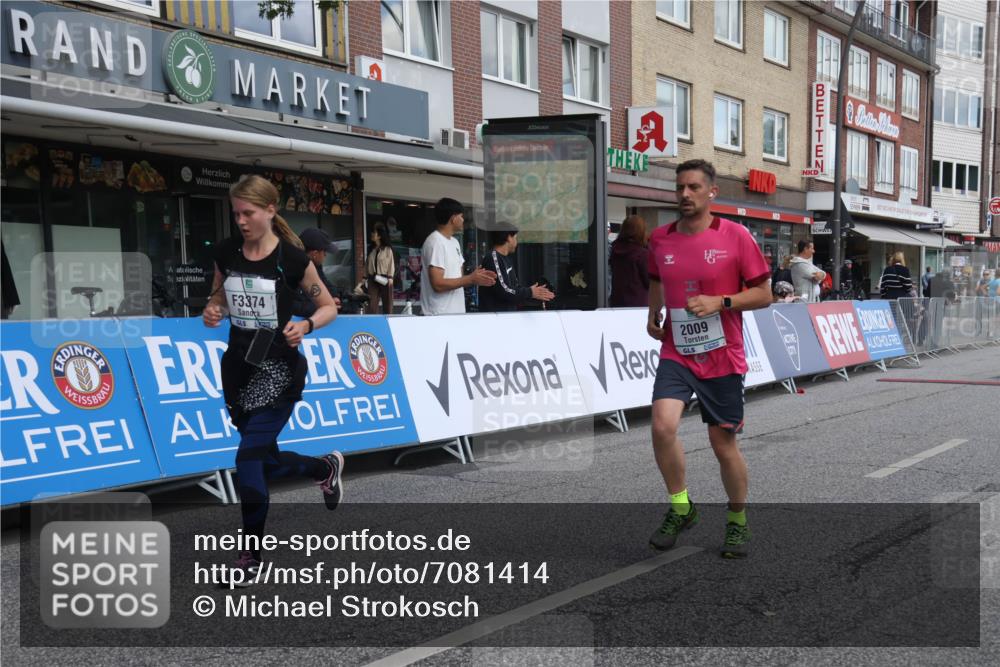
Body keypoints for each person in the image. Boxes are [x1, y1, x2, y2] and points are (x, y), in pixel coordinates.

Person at [203, 175, 344, 584]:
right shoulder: (226, 252)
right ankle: (322, 468)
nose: (241, 221)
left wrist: (307, 326)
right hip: (239, 370)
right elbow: (218, 296)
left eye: (248, 213)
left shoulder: (294, 259)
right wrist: (213, 310)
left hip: (280, 371)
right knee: (263, 458)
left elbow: (328, 306)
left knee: (247, 460)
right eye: (236, 214)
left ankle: (250, 556)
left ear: (270, 210)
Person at [645, 159, 772, 559]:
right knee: (662, 426)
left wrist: (723, 302)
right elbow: (655, 279)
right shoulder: (661, 238)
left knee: (722, 443)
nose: (684, 194)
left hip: (722, 356)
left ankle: (737, 522)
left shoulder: (736, 236)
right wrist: (654, 312)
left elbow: (764, 294)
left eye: (694, 187)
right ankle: (681, 508)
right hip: (677, 352)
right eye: (680, 187)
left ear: (711, 192)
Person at [419, 197, 496, 315]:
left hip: (456, 313)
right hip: (438, 315)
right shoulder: (435, 242)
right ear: (453, 219)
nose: (463, 219)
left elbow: (459, 278)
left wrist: (476, 278)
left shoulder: (455, 242)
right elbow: (437, 284)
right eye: (461, 216)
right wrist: (470, 278)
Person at [479, 223, 554, 312]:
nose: (516, 241)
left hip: (508, 316)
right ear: (509, 238)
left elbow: (514, 288)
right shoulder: (493, 257)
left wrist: (535, 294)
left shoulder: (505, 259)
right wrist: (530, 292)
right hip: (496, 318)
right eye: (515, 237)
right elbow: (505, 290)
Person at [292, 228, 343, 317]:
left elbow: (324, 284)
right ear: (315, 254)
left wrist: (334, 297)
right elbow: (294, 306)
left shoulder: (316, 266)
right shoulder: (292, 270)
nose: (325, 255)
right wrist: (324, 306)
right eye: (324, 252)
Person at [609, 215, 650, 307]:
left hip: (617, 303)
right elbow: (650, 282)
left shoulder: (614, 250)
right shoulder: (642, 254)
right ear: (641, 232)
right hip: (638, 305)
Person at [366, 221, 396, 314]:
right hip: (372, 278)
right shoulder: (371, 249)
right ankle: (373, 323)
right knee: (372, 304)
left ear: (379, 236)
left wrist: (390, 277)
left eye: (374, 233)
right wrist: (364, 279)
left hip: (385, 279)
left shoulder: (387, 249)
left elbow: (391, 263)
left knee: (387, 305)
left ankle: (387, 322)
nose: (372, 234)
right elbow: (366, 265)